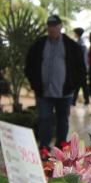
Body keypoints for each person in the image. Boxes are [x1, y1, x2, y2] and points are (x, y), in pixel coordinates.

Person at [25, 15, 86, 149]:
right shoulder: (39, 44)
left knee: (62, 121)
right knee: (44, 120)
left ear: (60, 27)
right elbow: (29, 65)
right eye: (50, 26)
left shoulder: (71, 45)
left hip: (64, 93)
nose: (52, 29)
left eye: (55, 26)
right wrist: (35, 84)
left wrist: (73, 85)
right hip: (44, 92)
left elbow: (81, 68)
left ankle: (61, 147)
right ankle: (44, 147)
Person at [72, 27, 90, 105]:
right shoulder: (82, 43)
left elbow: (81, 58)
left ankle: (73, 101)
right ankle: (86, 100)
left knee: (78, 84)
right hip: (83, 67)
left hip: (80, 68)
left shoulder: (79, 44)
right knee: (83, 84)